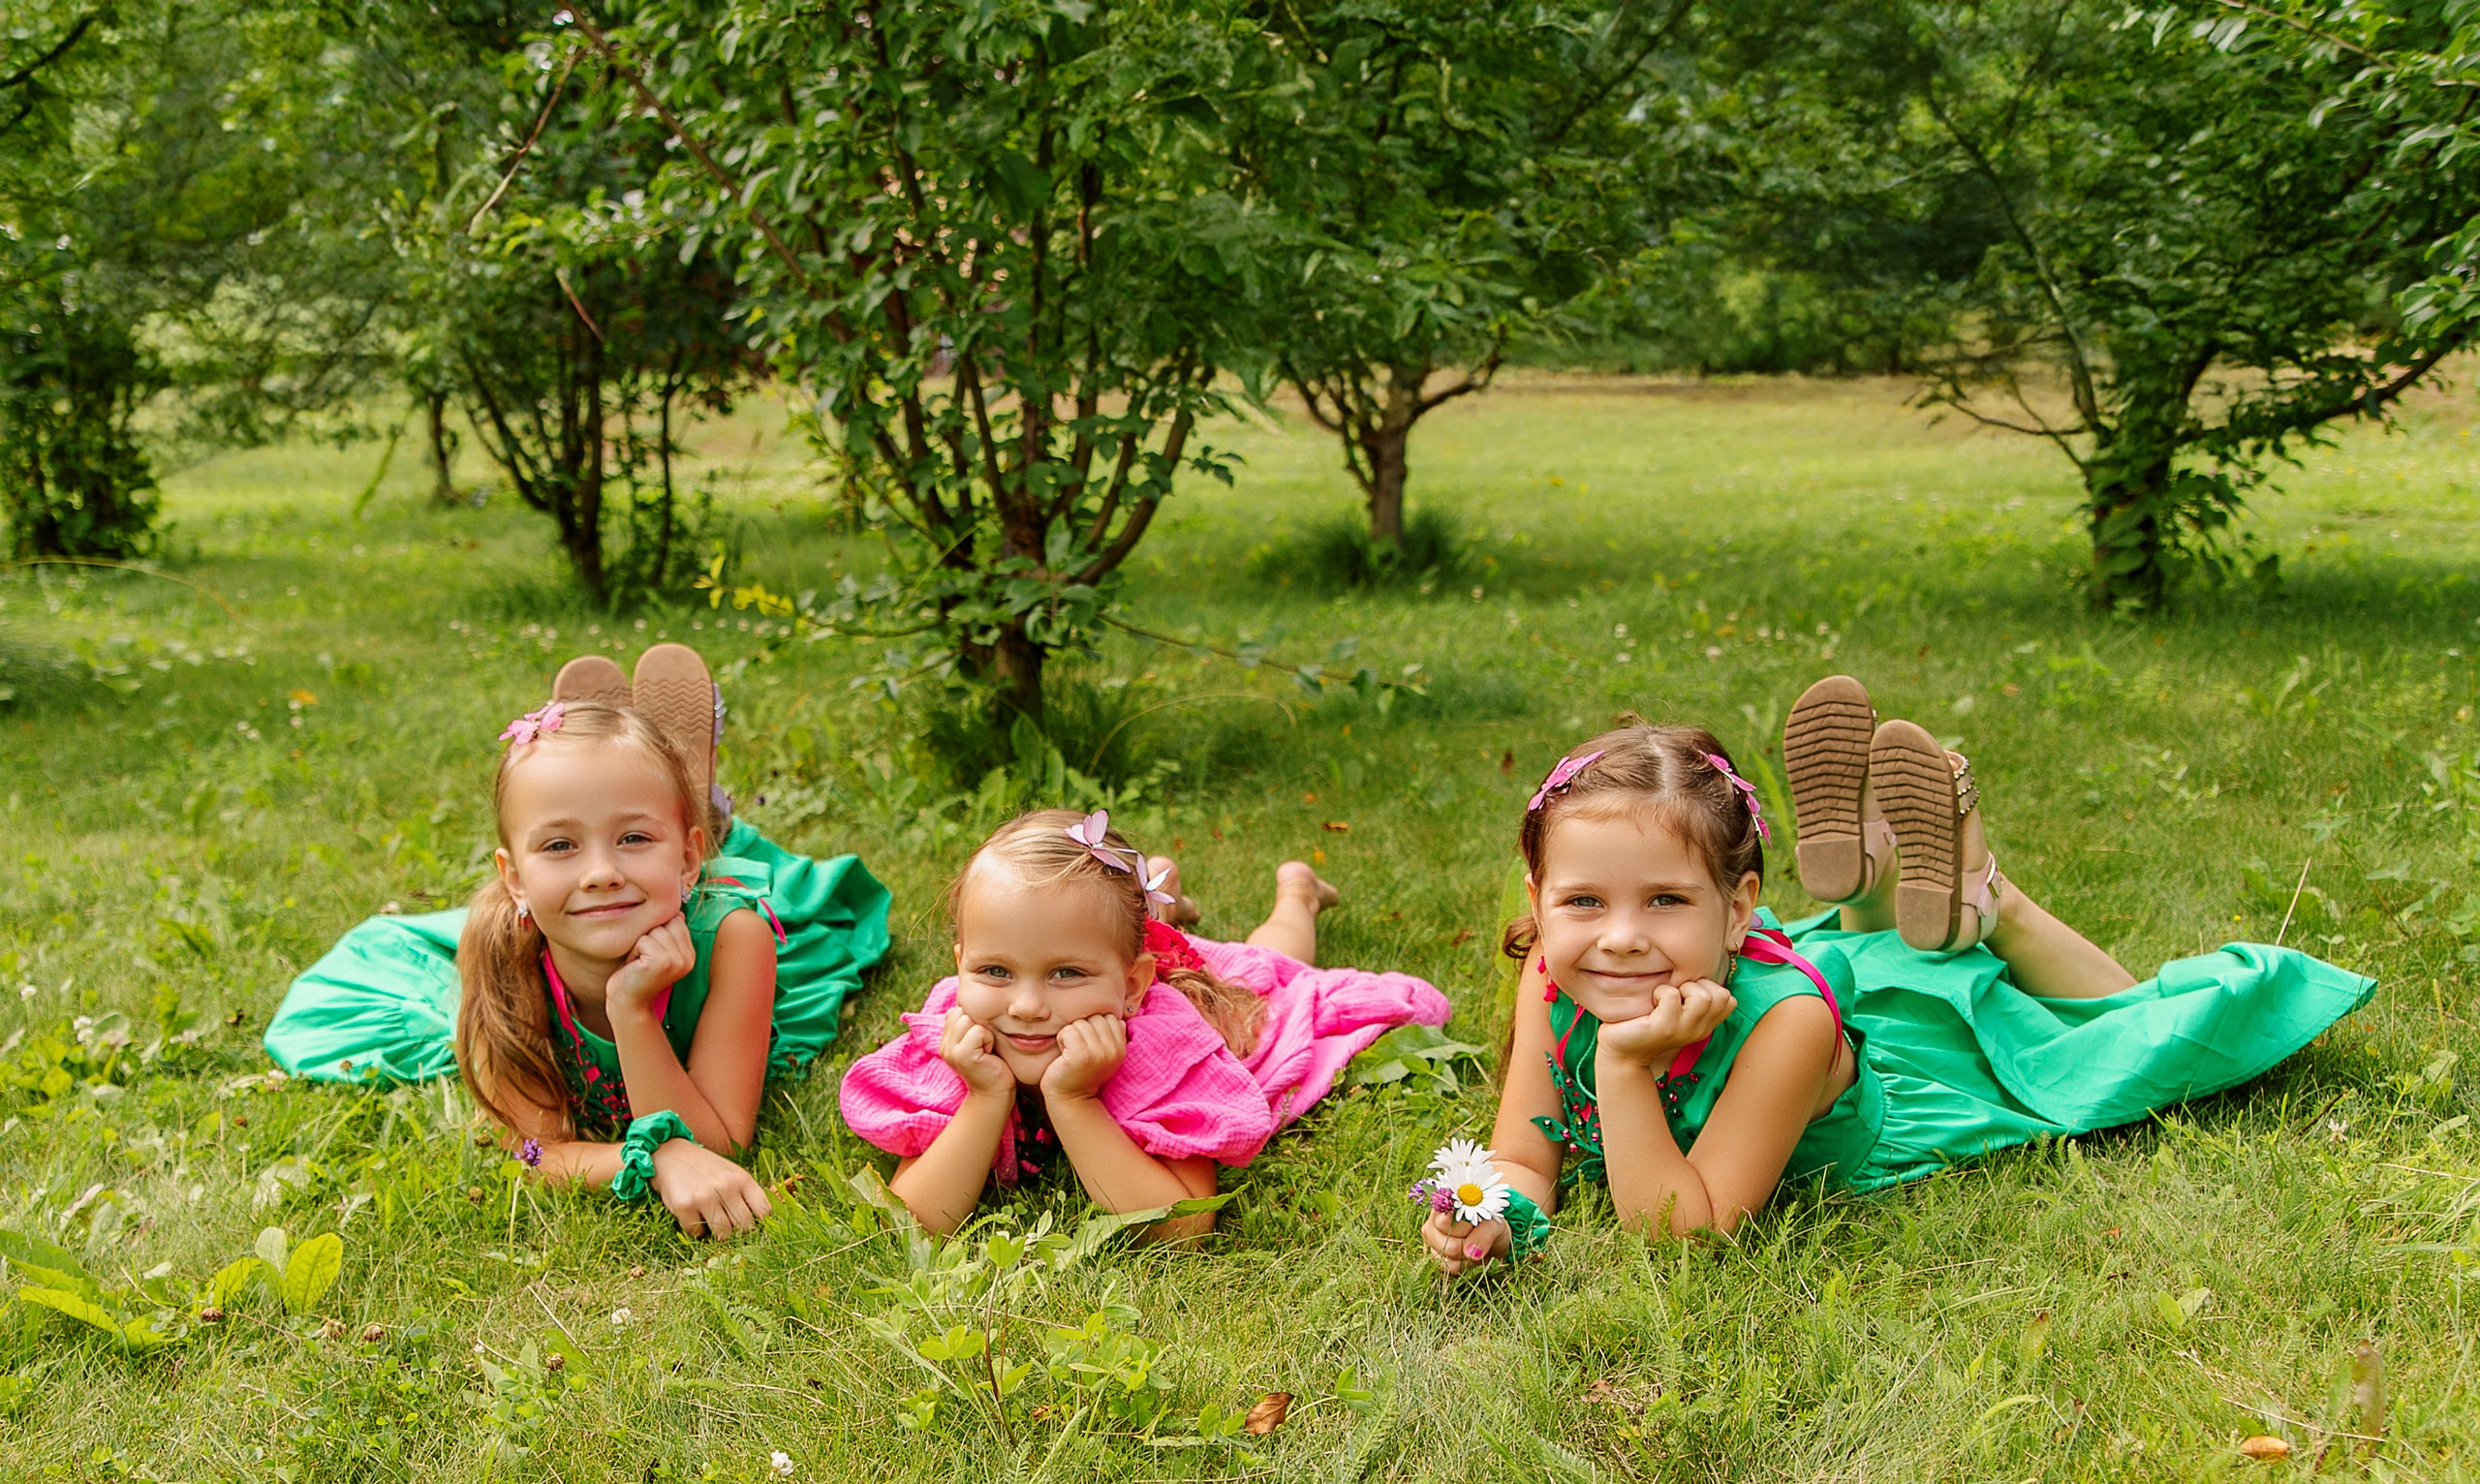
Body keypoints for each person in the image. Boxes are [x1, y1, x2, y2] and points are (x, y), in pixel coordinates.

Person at [1422, 679, 2373, 1273]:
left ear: (1739, 905)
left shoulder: (1781, 1022)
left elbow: (1680, 1234)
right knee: (1884, 954)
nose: (1620, 938)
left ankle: (1990, 896)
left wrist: (1627, 1068)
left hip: (1909, 1082)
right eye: (1584, 901)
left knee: (2076, 1037)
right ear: (1539, 896)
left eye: (1665, 900)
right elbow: (1526, 1154)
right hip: (1799, 984)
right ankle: (1876, 882)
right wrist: (1493, 1219)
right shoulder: (1551, 972)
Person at [263, 647, 891, 1238]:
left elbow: (722, 1143)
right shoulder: (501, 953)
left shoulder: (736, 937)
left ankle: (698, 816)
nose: (600, 872)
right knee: (632, 835)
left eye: (631, 840)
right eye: (560, 845)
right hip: (604, 902)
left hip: (701, 901)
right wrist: (657, 1158)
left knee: (762, 900)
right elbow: (534, 1151)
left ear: (688, 861)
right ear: (512, 878)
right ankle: (659, 806)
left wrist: (633, 1010)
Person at [842, 808, 1449, 1238]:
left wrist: (1075, 1102)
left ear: (1131, 986)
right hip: (1127, 953)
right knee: (1104, 934)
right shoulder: (961, 1038)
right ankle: (1161, 898)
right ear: (960, 967)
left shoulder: (1166, 1046)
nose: (1025, 1005)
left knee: (1271, 970)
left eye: (1065, 974)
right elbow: (914, 1221)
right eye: (994, 970)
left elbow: (1183, 1225)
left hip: (1199, 983)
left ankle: (1297, 894)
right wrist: (983, 1096)